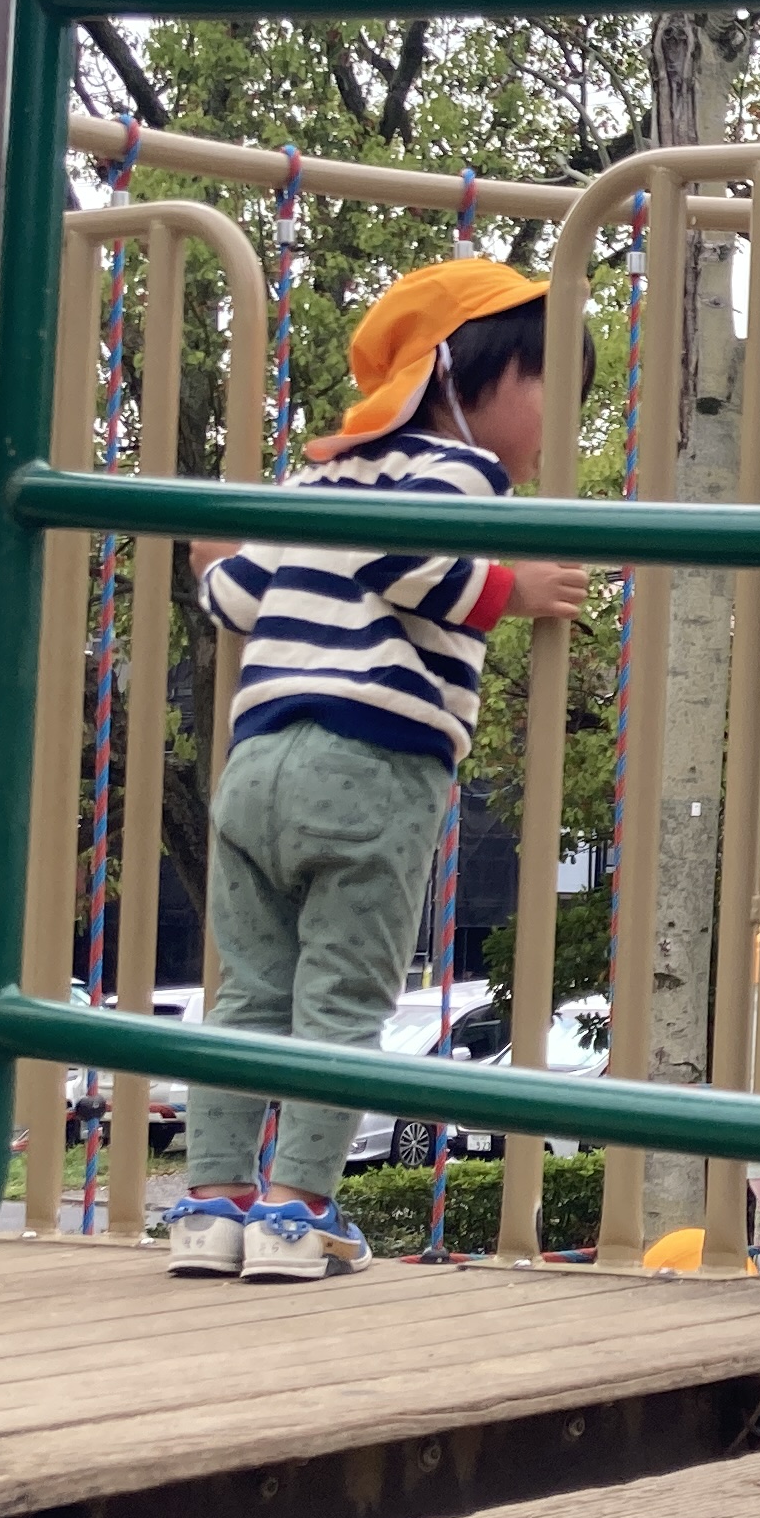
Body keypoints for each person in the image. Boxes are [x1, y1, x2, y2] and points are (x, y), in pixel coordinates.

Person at [171, 259, 597, 1283]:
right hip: (373, 762)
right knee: (345, 999)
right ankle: (297, 1211)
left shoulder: (316, 480)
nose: (563, 421)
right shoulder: (459, 475)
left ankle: (212, 1203)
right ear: (455, 374)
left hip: (255, 767)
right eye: (550, 386)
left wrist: (208, 559)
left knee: (248, 996)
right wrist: (514, 587)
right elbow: (407, 564)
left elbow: (238, 600)